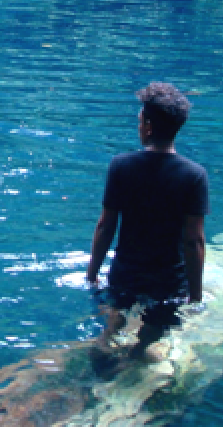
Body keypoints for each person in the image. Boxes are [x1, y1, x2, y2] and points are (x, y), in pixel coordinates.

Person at [86, 82, 208, 366]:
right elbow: (194, 241)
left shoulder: (121, 165)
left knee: (113, 323)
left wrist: (92, 274)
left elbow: (106, 225)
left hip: (125, 273)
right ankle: (137, 354)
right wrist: (196, 295)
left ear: (149, 127)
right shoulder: (194, 176)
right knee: (152, 334)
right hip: (168, 280)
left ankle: (105, 349)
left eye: (140, 120)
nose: (139, 126)